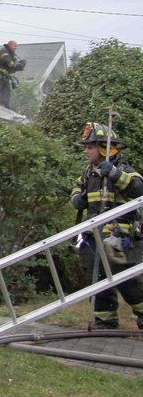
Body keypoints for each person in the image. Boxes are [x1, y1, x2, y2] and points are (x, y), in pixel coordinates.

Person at [71, 122, 143, 329]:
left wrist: (114, 175)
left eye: (90, 147)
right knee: (97, 280)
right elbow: (77, 188)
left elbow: (139, 189)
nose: (86, 151)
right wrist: (77, 198)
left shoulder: (123, 170)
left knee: (128, 280)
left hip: (121, 238)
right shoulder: (88, 173)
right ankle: (105, 320)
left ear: (104, 148)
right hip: (94, 237)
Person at [0, 40, 26, 110]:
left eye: (16, 46)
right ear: (10, 45)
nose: (15, 48)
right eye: (14, 46)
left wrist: (19, 66)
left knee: (6, 92)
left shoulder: (12, 56)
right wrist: (14, 65)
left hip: (5, 77)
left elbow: (12, 68)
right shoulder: (4, 51)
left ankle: (4, 106)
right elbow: (7, 61)